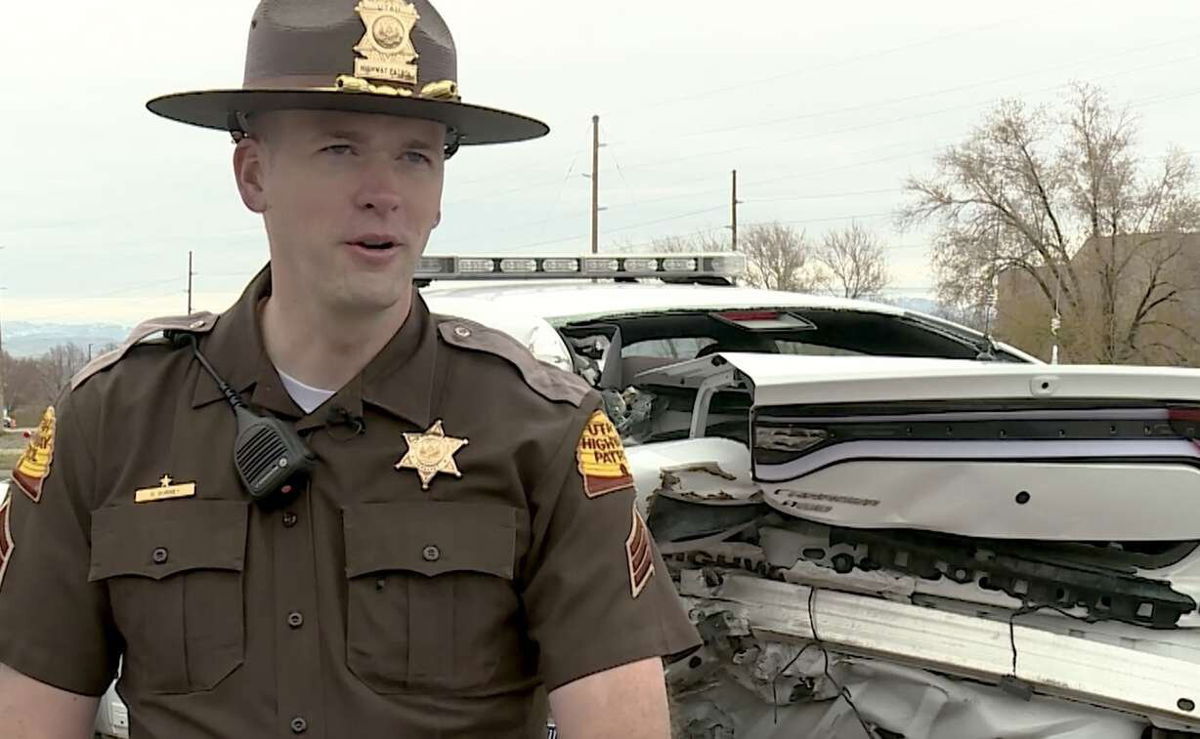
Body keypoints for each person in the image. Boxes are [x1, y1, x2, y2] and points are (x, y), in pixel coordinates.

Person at [0, 2, 700, 737]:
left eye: (415, 156)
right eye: (341, 149)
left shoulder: (539, 432)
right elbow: (31, 714)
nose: (384, 191)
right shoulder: (114, 421)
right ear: (253, 173)